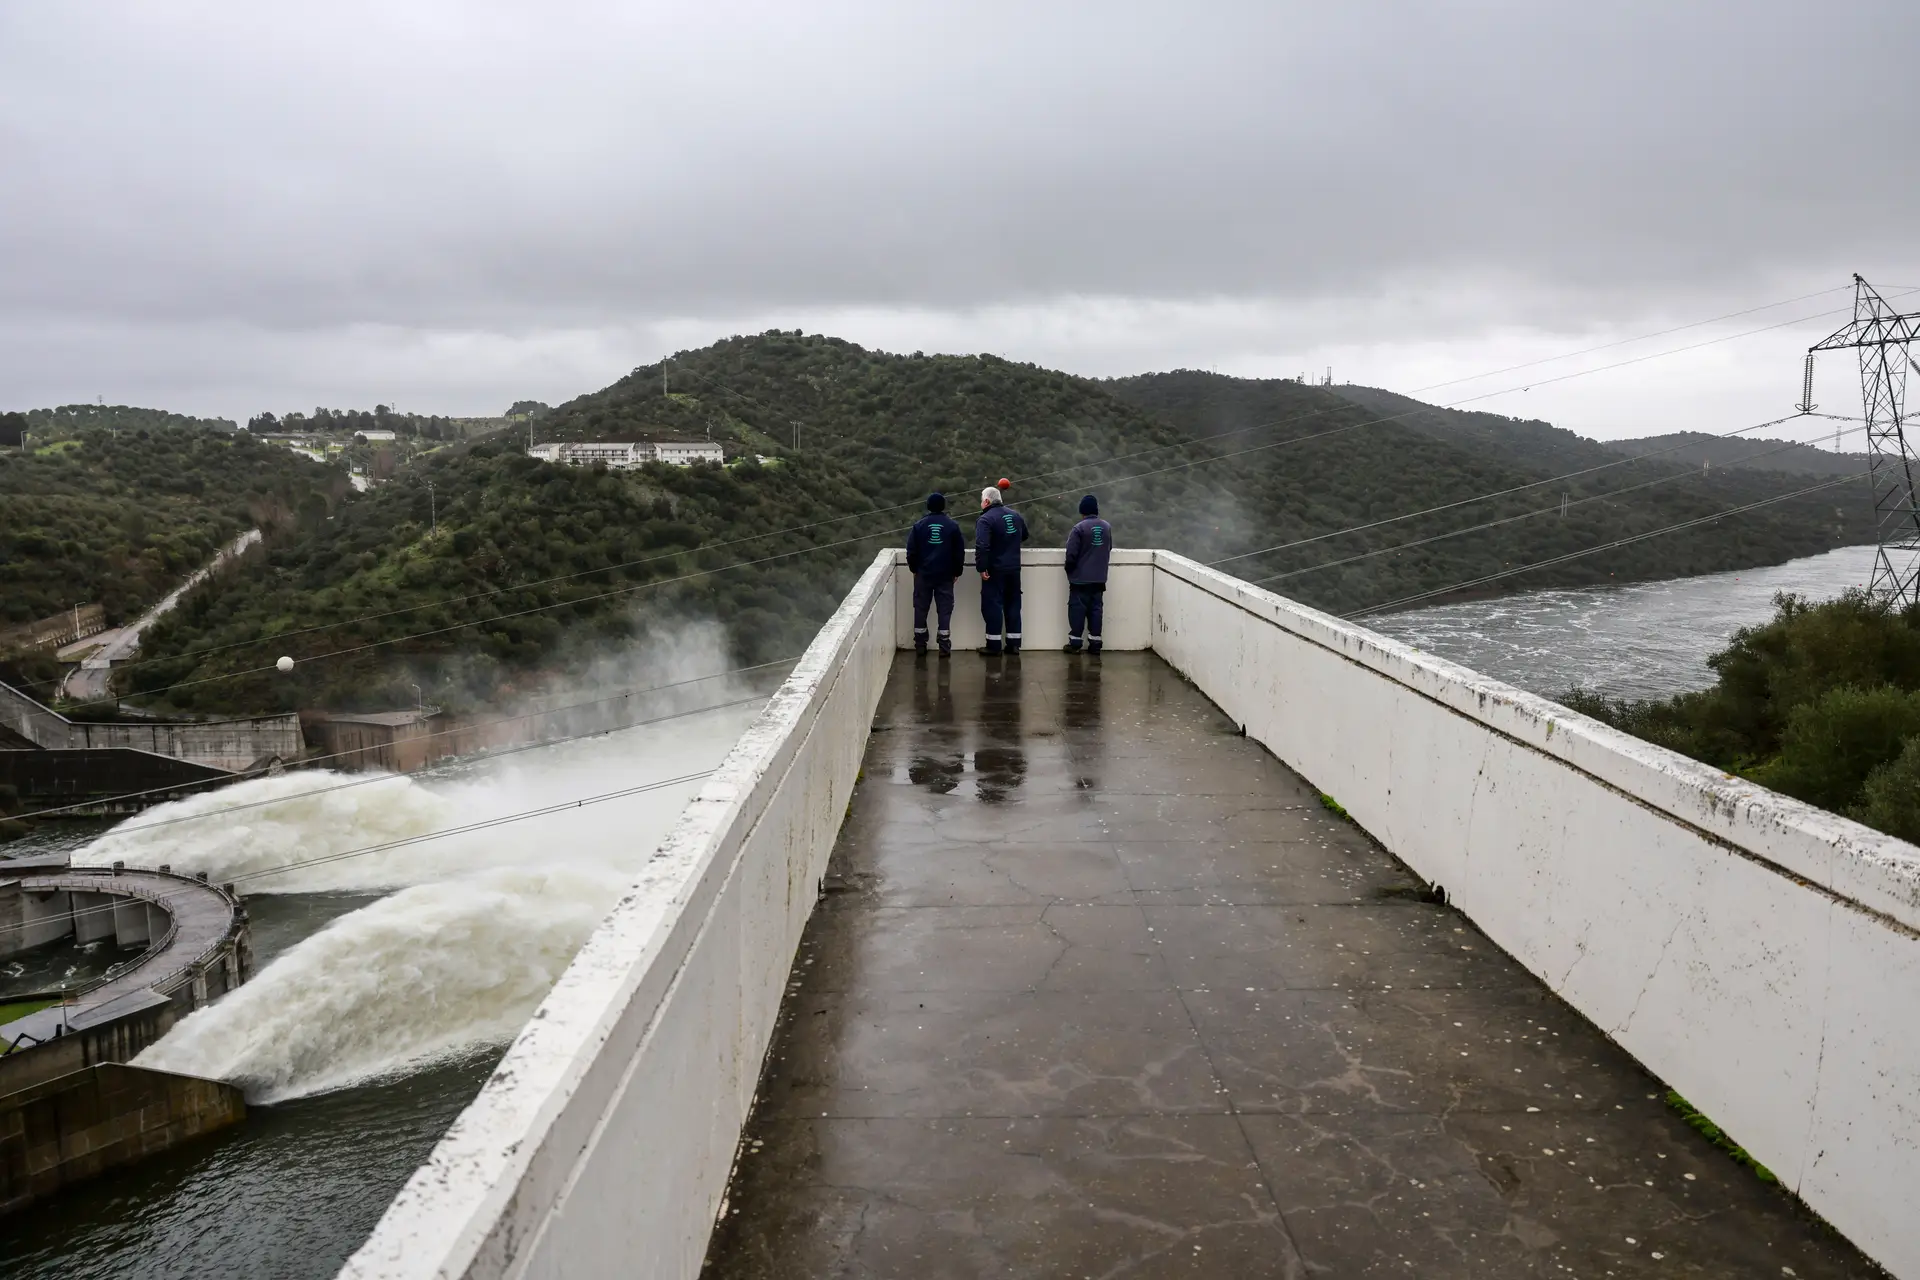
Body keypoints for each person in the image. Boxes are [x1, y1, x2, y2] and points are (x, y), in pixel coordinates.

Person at [904, 492, 964, 655]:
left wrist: (914, 569)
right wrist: (956, 571)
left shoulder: (919, 526)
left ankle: (920, 645)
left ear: (928, 506)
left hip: (923, 575)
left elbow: (911, 552)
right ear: (943, 506)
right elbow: (959, 552)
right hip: (945, 576)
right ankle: (944, 646)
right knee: (944, 609)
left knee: (921, 608)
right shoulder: (952, 526)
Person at [975, 486, 1029, 654]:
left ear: (986, 501)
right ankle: (1013, 644)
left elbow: (982, 545)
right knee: (1013, 604)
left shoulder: (985, 520)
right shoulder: (1015, 516)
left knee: (993, 605)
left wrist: (982, 567)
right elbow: (1024, 535)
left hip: (995, 570)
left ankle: (994, 645)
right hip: (1013, 568)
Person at [1062, 493, 1112, 654]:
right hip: (1099, 579)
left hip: (1080, 580)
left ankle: (1075, 643)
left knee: (1077, 610)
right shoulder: (1106, 527)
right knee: (1096, 610)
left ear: (1082, 511)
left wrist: (1069, 570)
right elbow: (1108, 548)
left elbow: (1071, 555)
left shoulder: (1078, 529)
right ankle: (1095, 644)